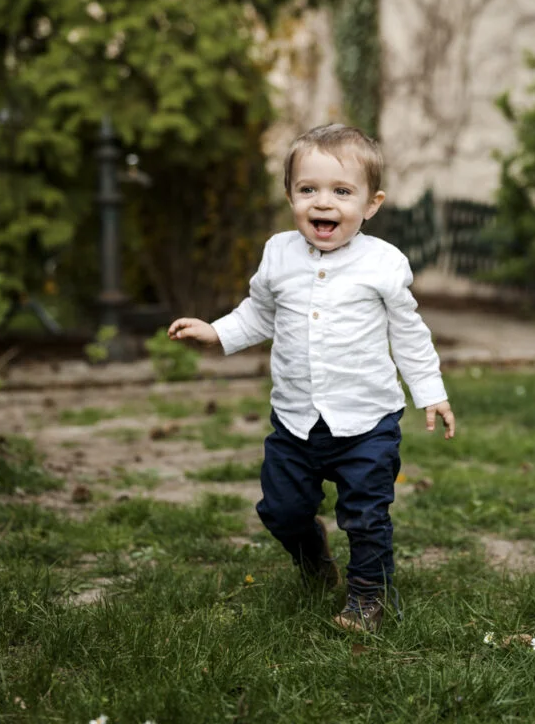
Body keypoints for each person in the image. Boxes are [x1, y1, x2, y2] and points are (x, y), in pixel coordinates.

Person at [167, 123, 455, 632]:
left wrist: (430, 392)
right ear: (290, 197)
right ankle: (314, 559)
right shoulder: (278, 253)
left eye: (342, 192)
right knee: (280, 509)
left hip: (367, 423)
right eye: (308, 190)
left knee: (366, 517)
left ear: (371, 204)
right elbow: (259, 313)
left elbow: (408, 333)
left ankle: (368, 598)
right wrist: (215, 332)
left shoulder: (384, 263)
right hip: (296, 421)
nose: (323, 203)